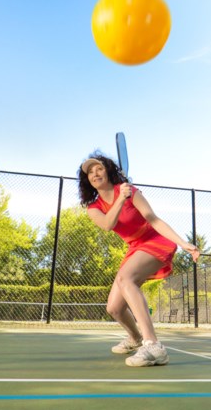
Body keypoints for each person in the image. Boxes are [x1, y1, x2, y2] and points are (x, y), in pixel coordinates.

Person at [78, 153, 199, 367]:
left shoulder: (131, 191)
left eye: (99, 168)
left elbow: (153, 219)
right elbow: (107, 224)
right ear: (87, 179)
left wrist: (183, 242)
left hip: (154, 240)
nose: (95, 174)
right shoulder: (93, 208)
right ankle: (134, 338)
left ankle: (153, 346)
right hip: (134, 248)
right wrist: (120, 200)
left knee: (126, 279)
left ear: (108, 171)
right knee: (114, 308)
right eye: (90, 172)